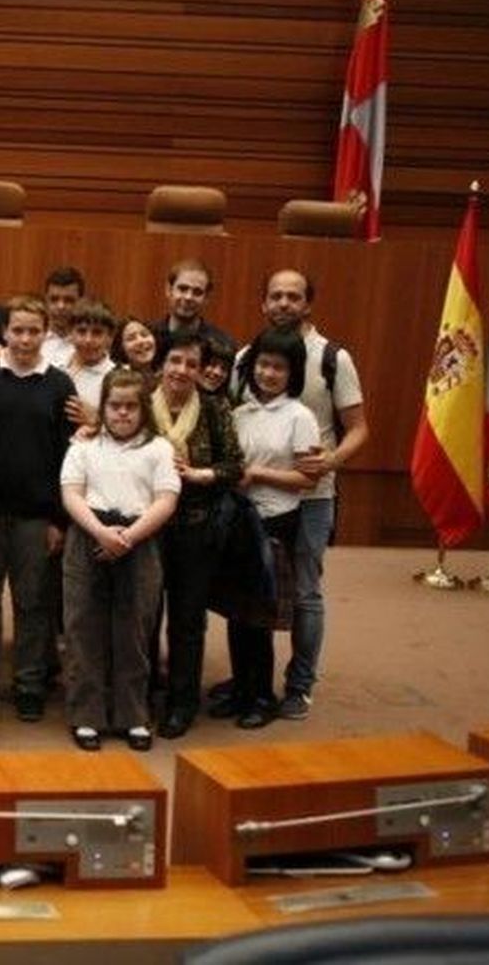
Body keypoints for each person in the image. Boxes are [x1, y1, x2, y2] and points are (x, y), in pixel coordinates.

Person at [256, 269, 368, 722]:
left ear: (308, 304)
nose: (284, 303)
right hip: (260, 496)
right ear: (264, 304)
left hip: (313, 498)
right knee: (258, 590)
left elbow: (360, 428)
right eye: (276, 296)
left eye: (293, 296)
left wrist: (331, 462)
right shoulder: (255, 355)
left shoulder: (333, 359)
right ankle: (255, 684)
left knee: (305, 592)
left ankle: (299, 686)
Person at [0, 295, 78, 724]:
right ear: (5, 332)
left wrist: (58, 519)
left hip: (36, 518)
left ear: (45, 332)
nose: (25, 338)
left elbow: (69, 455)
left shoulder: (60, 384)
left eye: (34, 330)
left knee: (32, 604)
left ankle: (29, 683)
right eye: (18, 330)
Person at [59, 368, 180, 751]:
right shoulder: (83, 446)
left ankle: (133, 716)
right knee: (84, 628)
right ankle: (86, 716)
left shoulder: (159, 449)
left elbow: (166, 500)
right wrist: (100, 531)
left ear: (143, 409)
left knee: (134, 630)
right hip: (89, 535)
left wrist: (128, 536)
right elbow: (72, 494)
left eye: (131, 407)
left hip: (138, 539)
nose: (122, 414)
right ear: (104, 408)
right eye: (114, 406)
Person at [221, 328, 320, 730]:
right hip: (240, 519)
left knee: (260, 615)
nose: (268, 373)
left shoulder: (301, 416)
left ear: (292, 372)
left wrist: (257, 474)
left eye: (278, 367)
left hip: (277, 521)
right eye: (263, 364)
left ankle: (262, 696)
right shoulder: (239, 413)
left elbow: (307, 479)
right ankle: (241, 689)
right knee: (235, 611)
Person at [151, 332, 244, 739]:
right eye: (175, 361)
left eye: (191, 364)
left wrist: (200, 475)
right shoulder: (141, 401)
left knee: (187, 621)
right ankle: (142, 693)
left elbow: (235, 466)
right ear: (162, 363)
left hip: (195, 528)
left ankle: (181, 704)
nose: (182, 371)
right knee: (144, 617)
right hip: (147, 530)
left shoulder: (213, 407)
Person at [150, 258, 236, 359]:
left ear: (206, 298)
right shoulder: (149, 338)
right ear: (169, 290)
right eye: (182, 289)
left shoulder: (223, 345)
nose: (188, 297)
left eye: (197, 292)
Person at [64, 298, 117, 423]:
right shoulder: (54, 366)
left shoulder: (118, 377)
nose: (88, 340)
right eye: (81, 331)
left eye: (97, 333)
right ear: (70, 334)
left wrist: (97, 420)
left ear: (110, 338)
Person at [40, 265, 85, 368]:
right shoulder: (30, 339)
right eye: (54, 299)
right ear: (46, 300)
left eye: (69, 300)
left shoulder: (90, 345)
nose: (61, 306)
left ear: (81, 302)